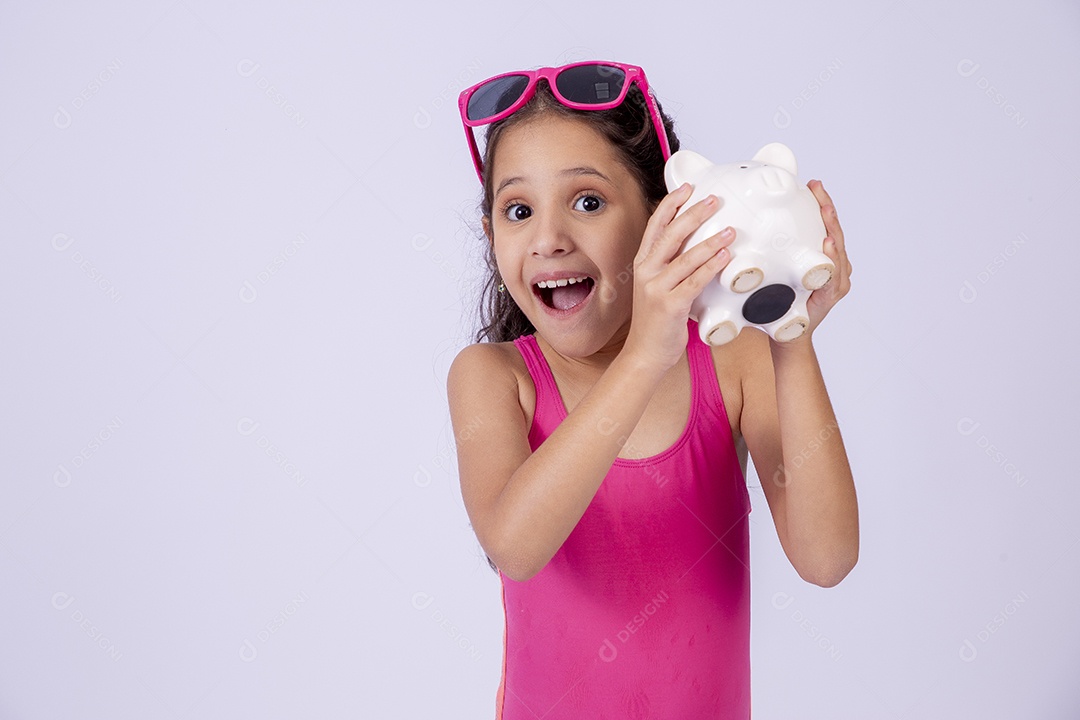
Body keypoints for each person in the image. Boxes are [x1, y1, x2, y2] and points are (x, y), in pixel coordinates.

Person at [446, 60, 858, 720]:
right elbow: (516, 547)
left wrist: (792, 336)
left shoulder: (732, 357)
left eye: (587, 202)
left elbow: (828, 556)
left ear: (661, 220)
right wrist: (643, 357)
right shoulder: (494, 377)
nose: (549, 238)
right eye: (517, 210)